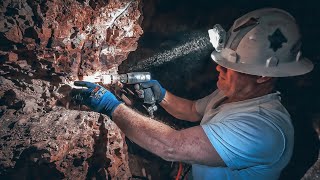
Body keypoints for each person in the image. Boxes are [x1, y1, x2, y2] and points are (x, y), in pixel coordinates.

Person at [73, 8, 314, 179]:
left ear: (263, 76)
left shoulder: (261, 129)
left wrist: (110, 106)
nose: (218, 68)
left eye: (231, 67)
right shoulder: (235, 94)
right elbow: (191, 110)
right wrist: (161, 94)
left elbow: (171, 147)